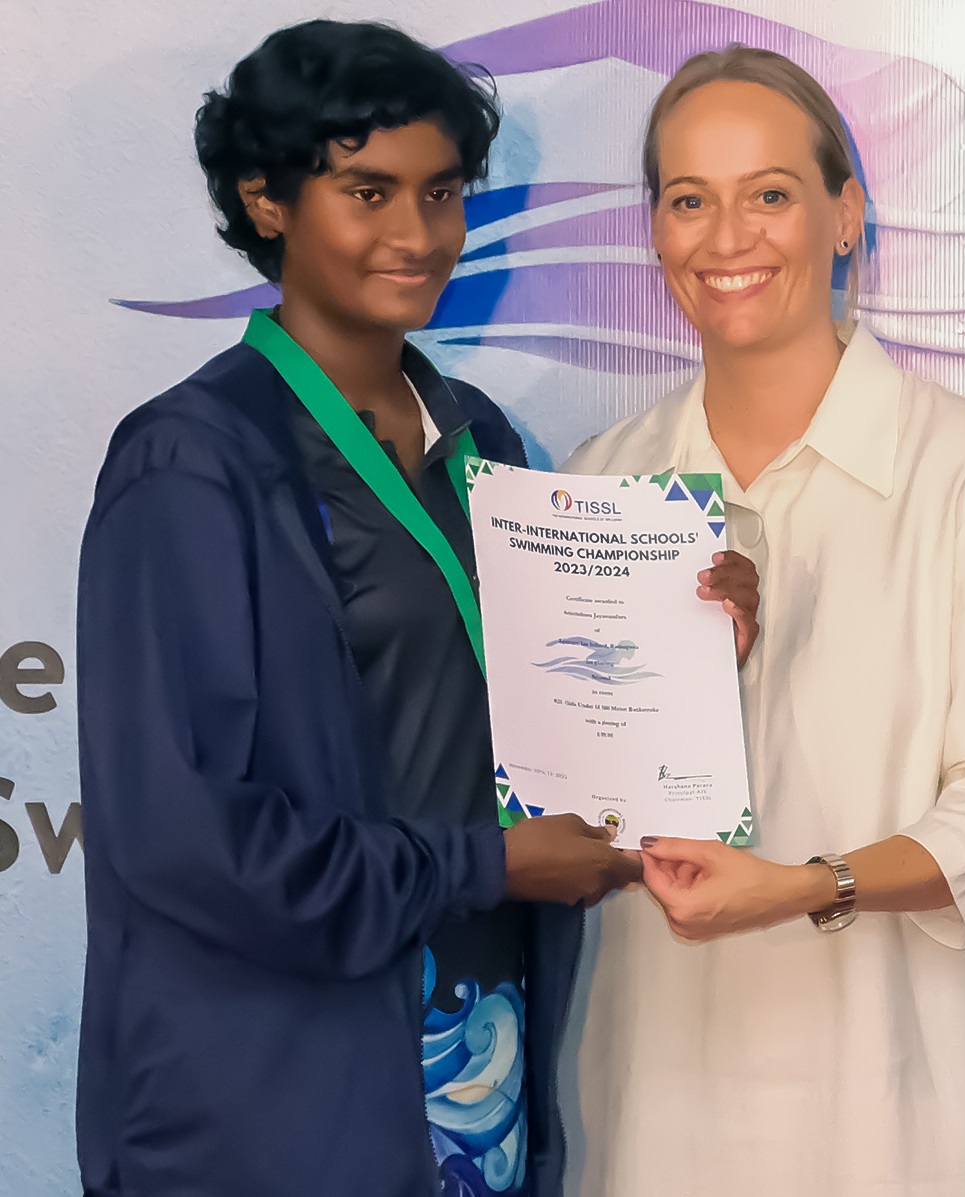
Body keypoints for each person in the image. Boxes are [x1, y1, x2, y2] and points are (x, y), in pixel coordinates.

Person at [74, 21, 759, 1197]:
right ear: (267, 200)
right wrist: (478, 868)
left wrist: (689, 630)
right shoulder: (192, 461)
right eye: (366, 190)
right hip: (271, 1099)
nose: (417, 234)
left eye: (440, 192)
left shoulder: (479, 437)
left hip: (468, 1057)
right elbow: (186, 842)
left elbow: (536, 711)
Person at [561, 46, 965, 1197]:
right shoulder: (604, 482)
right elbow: (575, 805)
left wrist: (805, 886)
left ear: (845, 215)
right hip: (667, 1087)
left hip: (901, 1097)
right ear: (654, 235)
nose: (727, 237)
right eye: (689, 199)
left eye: (770, 195)